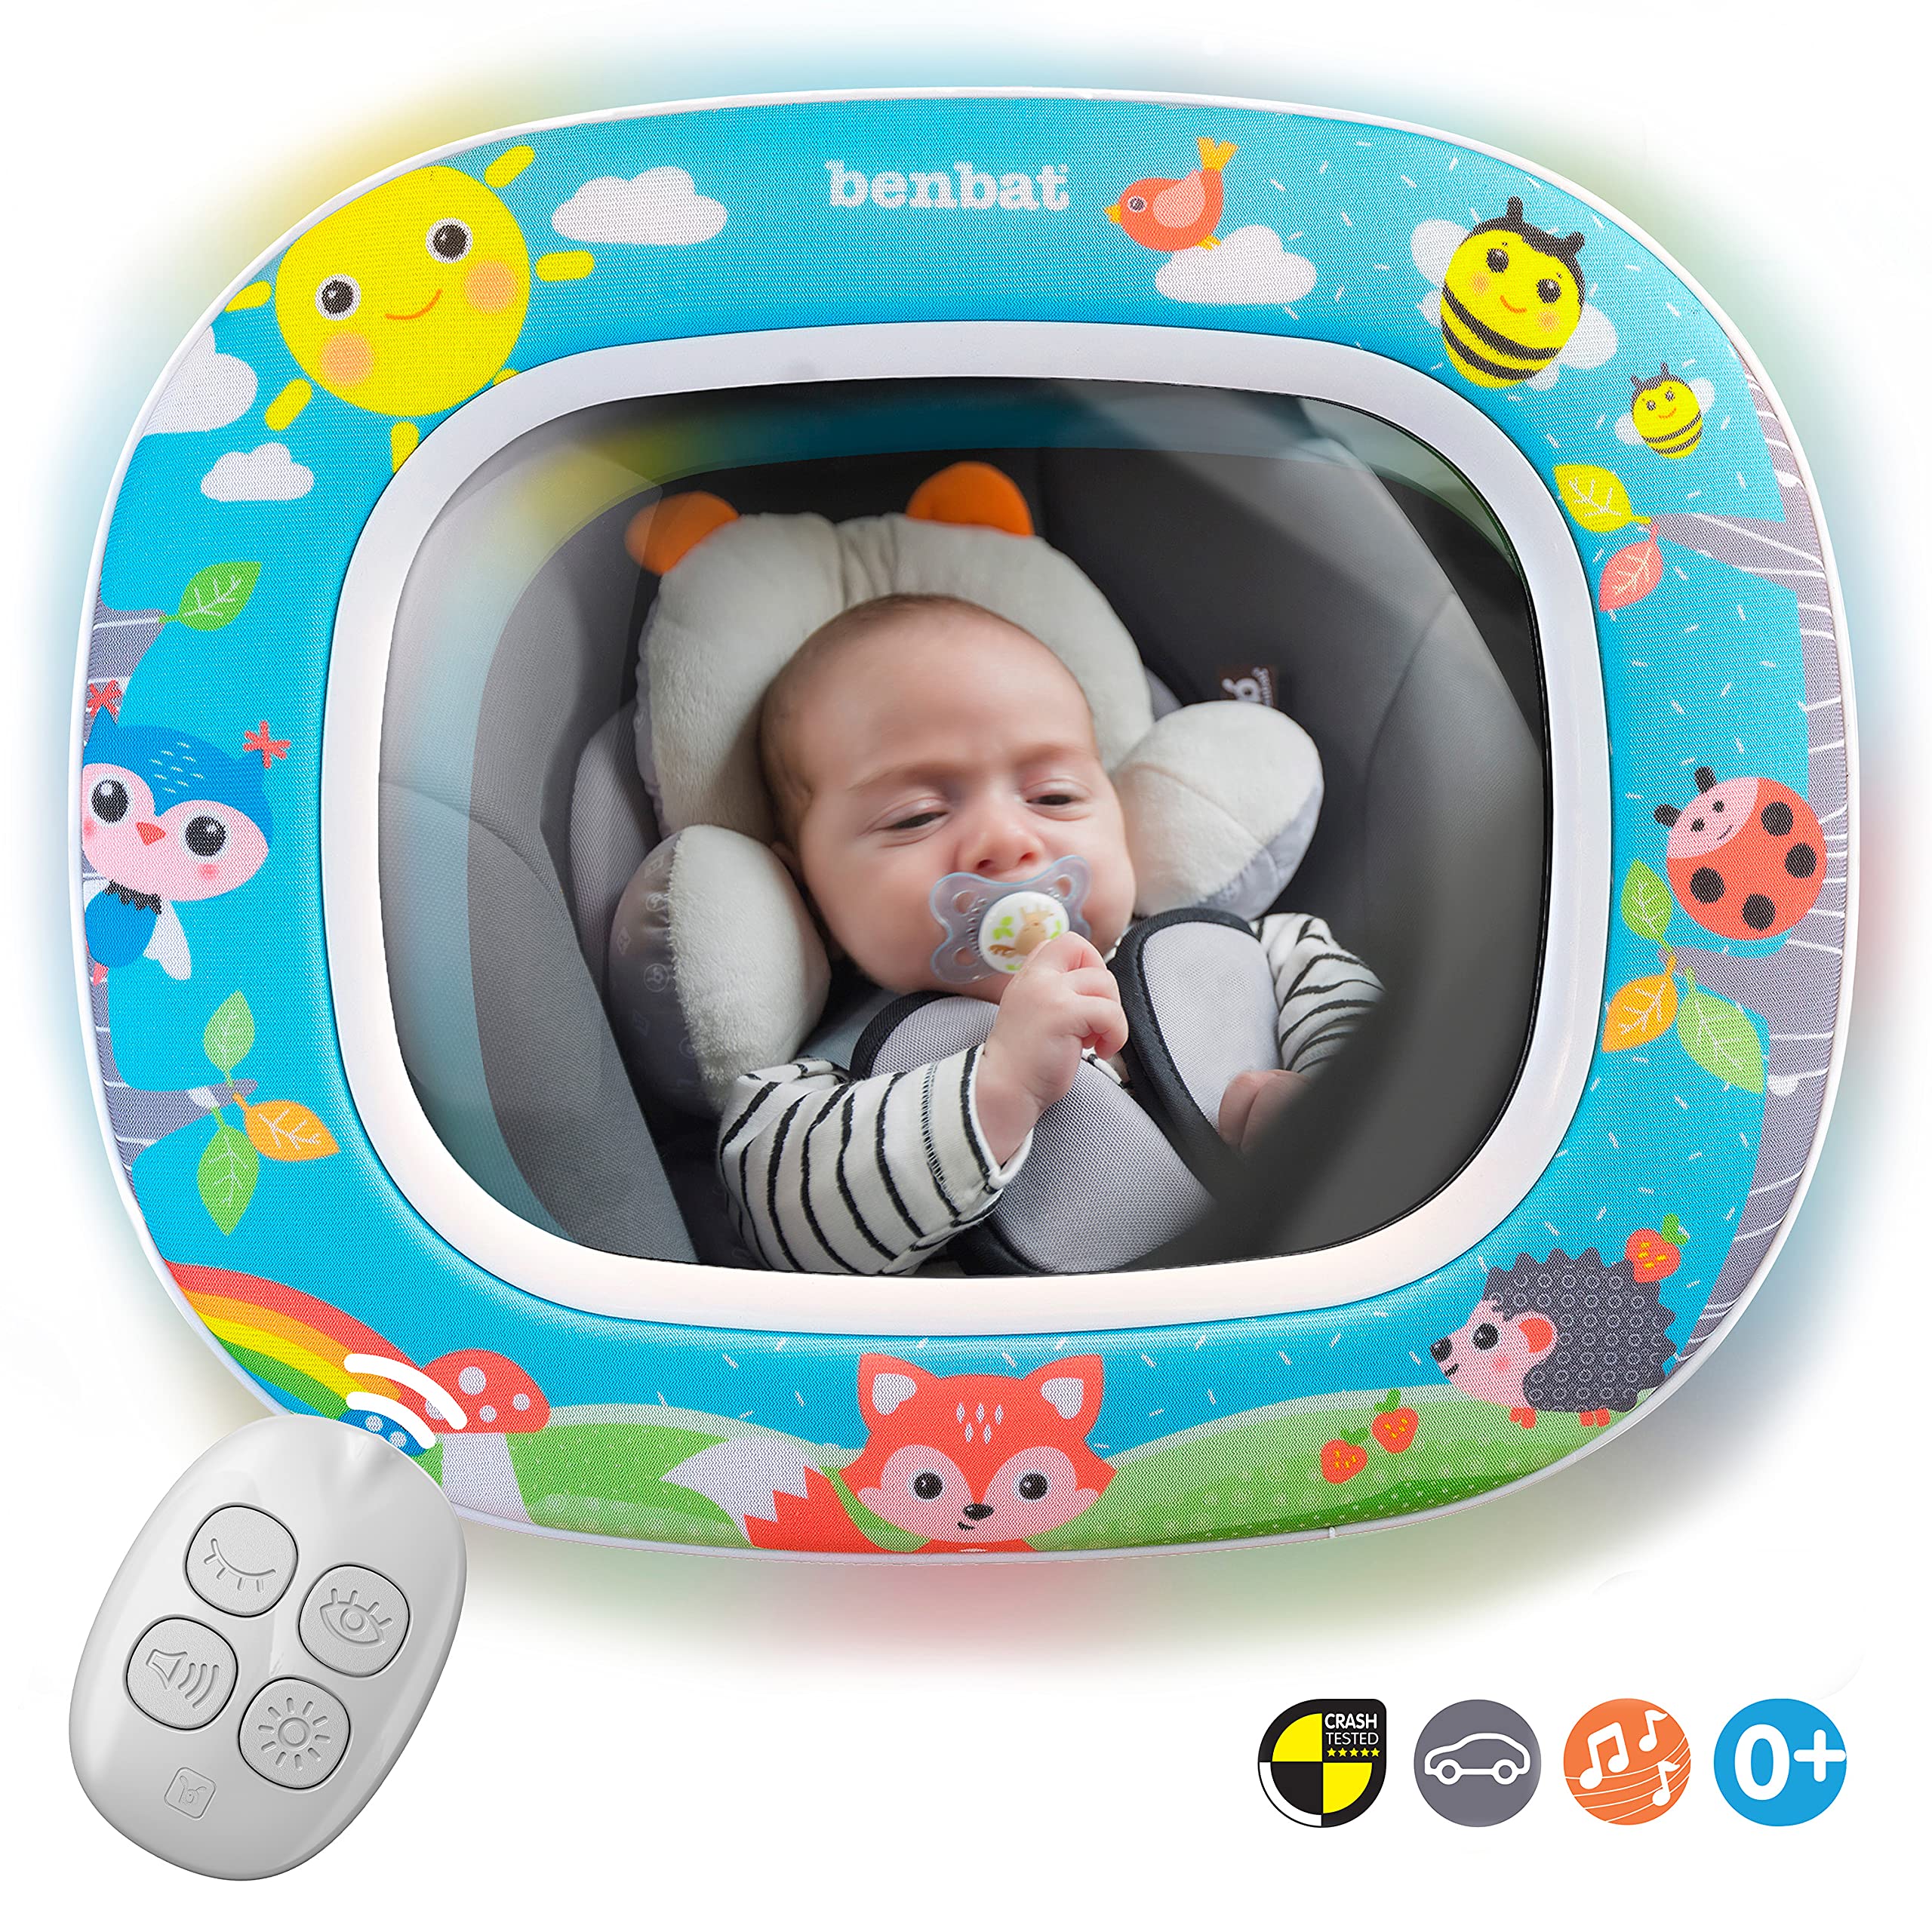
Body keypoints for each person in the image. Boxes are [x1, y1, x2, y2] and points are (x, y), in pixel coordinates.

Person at [717, 592, 1380, 1275]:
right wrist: (996, 1092)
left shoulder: (1254, 954)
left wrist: (1327, 1109)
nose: (1007, 840)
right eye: (916, 815)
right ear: (810, 894)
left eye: (1053, 797)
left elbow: (1387, 1045)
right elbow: (780, 1218)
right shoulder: (823, 1086)